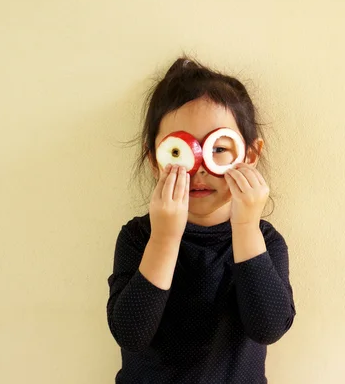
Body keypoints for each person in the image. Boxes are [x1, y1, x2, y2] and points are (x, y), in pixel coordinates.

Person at [106, 57, 296, 384]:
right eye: (179, 152)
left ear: (249, 156)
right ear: (155, 159)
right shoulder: (139, 237)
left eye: (219, 148)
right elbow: (130, 333)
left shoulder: (265, 240)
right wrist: (164, 238)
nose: (199, 168)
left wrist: (246, 228)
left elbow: (269, 326)